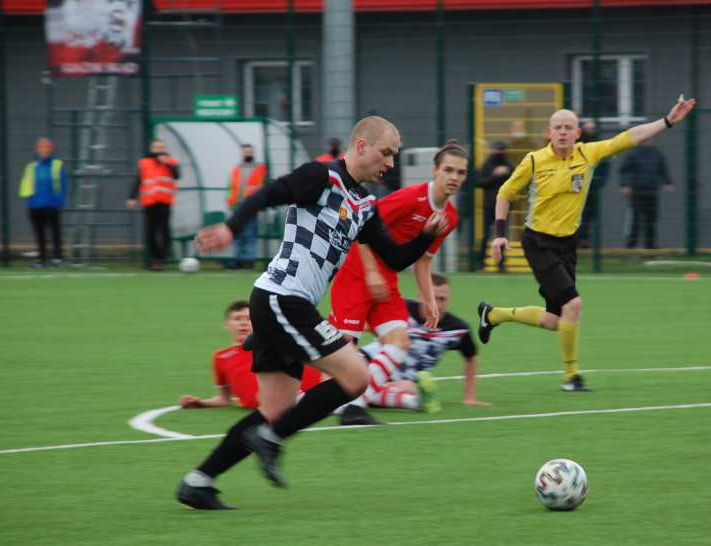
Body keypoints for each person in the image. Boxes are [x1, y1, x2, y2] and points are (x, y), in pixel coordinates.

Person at [176, 115, 450, 510]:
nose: (390, 163)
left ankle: (198, 481)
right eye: (386, 152)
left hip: (284, 305)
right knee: (356, 377)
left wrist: (427, 235)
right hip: (281, 299)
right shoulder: (322, 177)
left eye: (394, 155)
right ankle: (272, 440)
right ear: (361, 146)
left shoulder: (364, 205)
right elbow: (268, 194)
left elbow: (394, 258)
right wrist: (232, 229)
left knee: (275, 412)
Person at [478, 97, 696, 392]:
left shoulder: (588, 154)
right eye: (558, 128)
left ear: (578, 133)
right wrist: (500, 233)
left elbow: (627, 138)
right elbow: (505, 192)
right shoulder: (534, 160)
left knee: (555, 319)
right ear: (549, 132)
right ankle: (571, 377)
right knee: (574, 304)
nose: (564, 132)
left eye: (569, 127)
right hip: (538, 242)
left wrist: (667, 121)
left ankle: (493, 314)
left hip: (567, 246)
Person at [327, 139, 466, 423]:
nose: (454, 177)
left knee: (399, 342)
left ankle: (354, 406)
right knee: (344, 353)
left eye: (461, 172)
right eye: (448, 170)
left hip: (387, 279)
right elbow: (360, 225)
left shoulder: (449, 217)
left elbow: (424, 260)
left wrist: (428, 298)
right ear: (435, 170)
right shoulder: (409, 198)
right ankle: (343, 401)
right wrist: (370, 271)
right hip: (356, 273)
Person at [339, 274, 491, 425]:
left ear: (449, 299)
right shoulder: (401, 308)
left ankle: (357, 398)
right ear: (420, 296)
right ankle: (409, 401)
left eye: (442, 299)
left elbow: (471, 358)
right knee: (350, 380)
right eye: (432, 297)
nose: (437, 305)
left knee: (409, 387)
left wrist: (469, 397)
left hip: (403, 382)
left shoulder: (458, 329)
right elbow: (360, 324)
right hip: (370, 362)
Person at [178, 300, 321, 410]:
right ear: (227, 324)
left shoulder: (272, 344)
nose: (243, 324)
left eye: (248, 319)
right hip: (271, 406)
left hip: (299, 397)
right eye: (237, 319)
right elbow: (225, 399)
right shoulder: (221, 357)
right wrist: (200, 403)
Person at [127, 138, 180, 271]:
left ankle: (162, 257)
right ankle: (154, 259)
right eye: (156, 147)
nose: (159, 150)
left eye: (161, 147)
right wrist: (132, 197)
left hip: (164, 201)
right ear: (152, 149)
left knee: (164, 231)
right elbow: (138, 180)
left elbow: (177, 175)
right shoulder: (144, 162)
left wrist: (167, 164)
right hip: (149, 201)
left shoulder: (171, 161)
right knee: (150, 232)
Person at [19, 137, 67, 268]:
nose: (44, 149)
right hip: (35, 205)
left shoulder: (58, 164)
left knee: (55, 232)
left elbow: (63, 184)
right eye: (41, 147)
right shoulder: (31, 166)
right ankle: (41, 260)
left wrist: (60, 201)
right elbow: (26, 184)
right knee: (39, 234)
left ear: (51, 149)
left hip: (52, 204)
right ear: (37, 149)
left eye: (47, 147)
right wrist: (29, 201)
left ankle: (57, 258)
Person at [619, 138, 674, 249]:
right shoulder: (633, 154)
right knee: (635, 220)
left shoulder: (657, 154)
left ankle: (650, 246)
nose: (649, 140)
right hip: (637, 192)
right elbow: (623, 170)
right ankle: (630, 246)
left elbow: (663, 169)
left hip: (652, 192)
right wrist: (625, 185)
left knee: (651, 220)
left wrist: (668, 182)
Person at [225, 144, 267, 270]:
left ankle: (249, 261)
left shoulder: (259, 168)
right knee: (237, 233)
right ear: (242, 153)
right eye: (245, 152)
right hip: (238, 205)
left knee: (250, 233)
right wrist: (231, 202)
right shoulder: (237, 169)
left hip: (252, 204)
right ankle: (237, 260)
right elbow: (231, 187)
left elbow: (263, 185)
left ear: (253, 153)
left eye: (250, 152)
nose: (248, 154)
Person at [476, 141, 513, 270]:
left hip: (504, 206)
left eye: (501, 150)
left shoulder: (509, 165)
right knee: (486, 235)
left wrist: (506, 173)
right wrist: (495, 175)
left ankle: (501, 264)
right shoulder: (487, 165)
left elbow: (515, 183)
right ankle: (480, 263)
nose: (499, 153)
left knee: (502, 234)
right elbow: (480, 183)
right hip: (489, 205)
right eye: (497, 150)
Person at [576, 121, 611, 248]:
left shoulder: (599, 145)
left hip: (593, 185)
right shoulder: (579, 143)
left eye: (593, 127)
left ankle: (584, 239)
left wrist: (600, 182)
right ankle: (578, 238)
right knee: (579, 212)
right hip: (579, 184)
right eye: (588, 127)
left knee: (590, 213)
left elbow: (605, 165)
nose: (591, 129)